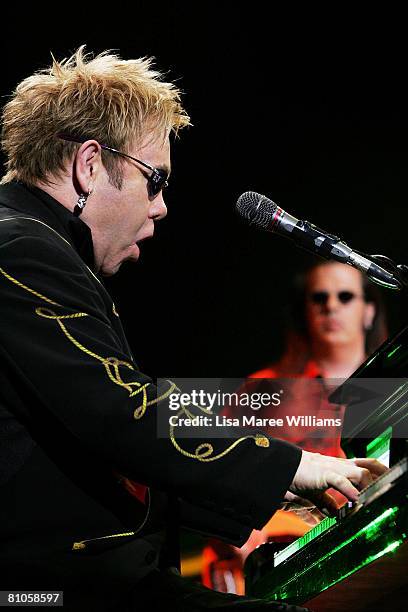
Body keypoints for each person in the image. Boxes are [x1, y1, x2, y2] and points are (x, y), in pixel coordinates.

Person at [0, 48, 386, 611]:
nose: (161, 209)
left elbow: (77, 450)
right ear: (89, 164)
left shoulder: (35, 246)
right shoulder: (22, 248)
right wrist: (294, 463)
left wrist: (282, 487)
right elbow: (118, 411)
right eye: (154, 181)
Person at [202, 261, 388, 593]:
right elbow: (207, 463)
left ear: (369, 312)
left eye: (345, 296)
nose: (331, 305)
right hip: (273, 566)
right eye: (319, 298)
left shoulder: (391, 391)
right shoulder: (265, 389)